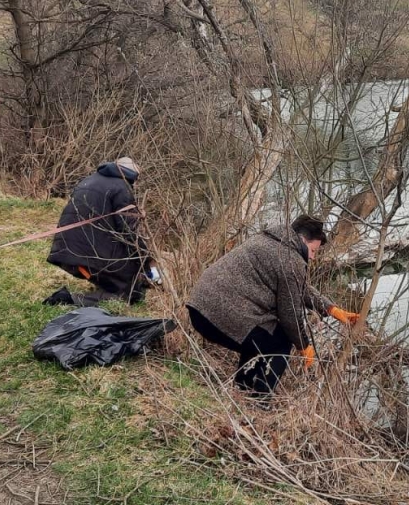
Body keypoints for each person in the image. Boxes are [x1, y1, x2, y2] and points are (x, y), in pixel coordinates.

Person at [186, 215, 361, 396]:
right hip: (217, 315)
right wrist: (304, 345)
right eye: (313, 251)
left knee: (262, 331)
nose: (313, 257)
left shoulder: (268, 239)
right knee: (281, 340)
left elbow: (298, 286)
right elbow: (289, 314)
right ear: (302, 240)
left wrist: (331, 309)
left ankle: (243, 385)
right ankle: (260, 398)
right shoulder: (290, 259)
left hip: (200, 306)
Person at [46, 157, 161, 306]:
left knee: (121, 276)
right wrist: (146, 258)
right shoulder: (122, 188)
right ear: (132, 175)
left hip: (65, 247)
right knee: (130, 293)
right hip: (86, 253)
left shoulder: (89, 179)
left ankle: (109, 284)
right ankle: (69, 299)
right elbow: (128, 232)